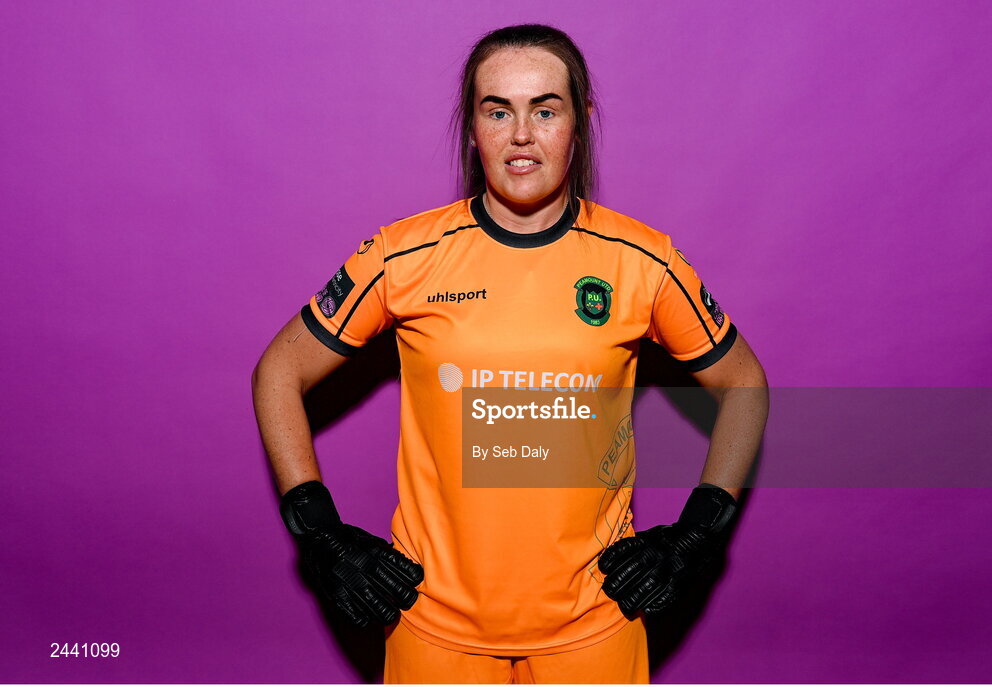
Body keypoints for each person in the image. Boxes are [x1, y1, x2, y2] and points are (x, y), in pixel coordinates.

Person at [252, 23, 769, 684]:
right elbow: (279, 371)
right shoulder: (403, 255)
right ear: (472, 128)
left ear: (577, 124)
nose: (520, 135)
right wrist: (318, 531)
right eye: (497, 110)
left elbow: (743, 382)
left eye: (544, 109)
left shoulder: (641, 261)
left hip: (593, 624)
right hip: (432, 624)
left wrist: (700, 530)